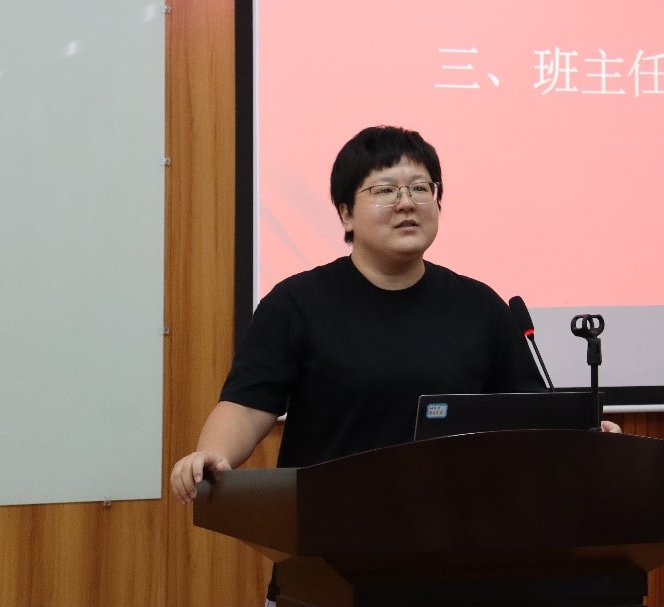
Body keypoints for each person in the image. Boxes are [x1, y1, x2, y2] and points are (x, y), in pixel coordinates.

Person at [170, 125, 618, 604]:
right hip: (329, 564)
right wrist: (211, 454)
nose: (407, 203)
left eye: (421, 188)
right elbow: (246, 404)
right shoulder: (296, 303)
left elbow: (529, 417)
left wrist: (585, 441)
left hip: (460, 564)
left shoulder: (479, 306)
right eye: (385, 190)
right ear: (345, 212)